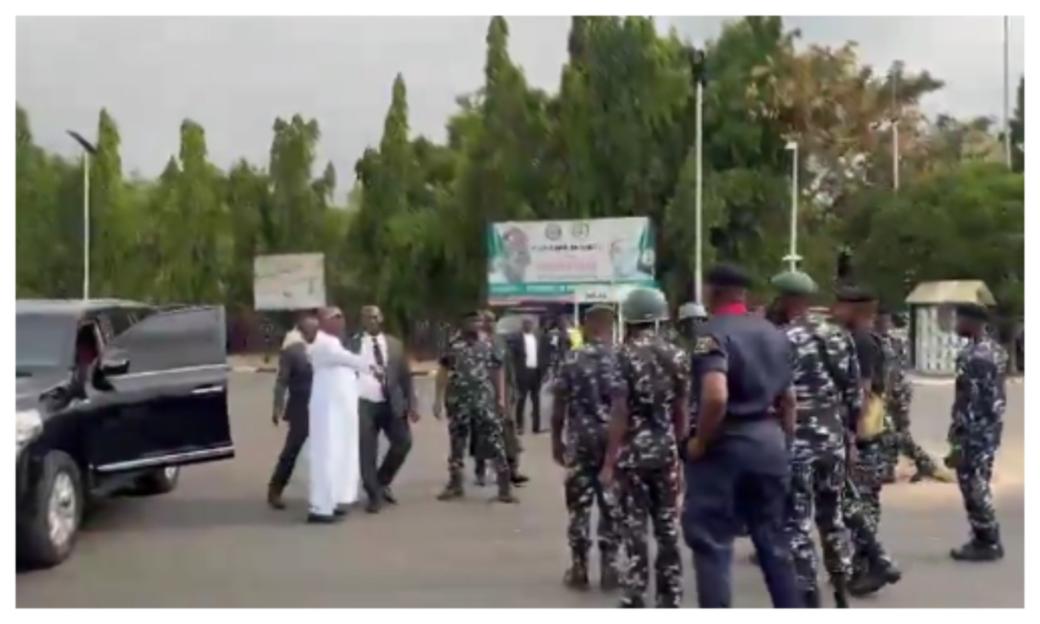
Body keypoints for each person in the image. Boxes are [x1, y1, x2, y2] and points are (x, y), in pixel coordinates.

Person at [682, 263, 802, 608]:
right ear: (743, 295)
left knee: (713, 543)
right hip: (770, 443)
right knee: (775, 544)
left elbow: (715, 394)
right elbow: (789, 400)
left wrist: (700, 441)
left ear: (712, 292)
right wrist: (784, 443)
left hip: (726, 447)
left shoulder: (710, 334)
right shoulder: (773, 333)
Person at [769, 270, 854, 608]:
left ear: (786, 299)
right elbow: (852, 391)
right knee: (832, 519)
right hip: (832, 440)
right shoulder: (838, 336)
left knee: (797, 523)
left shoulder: (780, 339)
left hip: (798, 444)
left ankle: (808, 596)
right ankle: (841, 590)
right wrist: (848, 438)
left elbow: (778, 395)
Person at [602, 288, 686, 608]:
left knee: (634, 526)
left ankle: (635, 594)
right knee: (667, 527)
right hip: (665, 452)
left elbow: (619, 411)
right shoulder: (676, 355)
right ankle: (671, 595)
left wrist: (610, 461)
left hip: (633, 455)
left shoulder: (622, 355)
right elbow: (682, 410)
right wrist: (677, 449)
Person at [832, 286, 902, 595]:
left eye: (841, 305)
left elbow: (860, 392)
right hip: (878, 431)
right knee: (865, 501)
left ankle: (874, 563)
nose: (835, 311)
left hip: (866, 434)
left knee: (855, 503)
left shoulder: (860, 342)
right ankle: (864, 565)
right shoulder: (876, 340)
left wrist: (852, 436)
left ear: (857, 310)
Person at [551, 304, 621, 592]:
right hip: (612, 441)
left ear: (587, 324)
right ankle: (610, 568)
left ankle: (579, 567)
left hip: (581, 440)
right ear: (609, 325)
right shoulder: (621, 359)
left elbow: (559, 404)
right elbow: (627, 406)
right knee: (611, 506)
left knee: (579, 507)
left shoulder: (572, 359)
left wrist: (556, 439)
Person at [434, 310, 517, 504]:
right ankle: (455, 484)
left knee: (495, 441)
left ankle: (504, 488)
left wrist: (501, 399)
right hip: (458, 401)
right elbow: (443, 372)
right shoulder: (454, 345)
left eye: (478, 321)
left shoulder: (489, 344)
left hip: (484, 401)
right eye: (471, 321)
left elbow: (498, 372)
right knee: (457, 443)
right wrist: (438, 400)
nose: (476, 325)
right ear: (463, 324)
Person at [306, 307, 380, 523]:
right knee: (327, 456)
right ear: (323, 322)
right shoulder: (324, 344)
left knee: (339, 455)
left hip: (339, 412)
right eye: (334, 318)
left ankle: (334, 500)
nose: (340, 322)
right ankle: (320, 507)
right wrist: (372, 367)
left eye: (342, 317)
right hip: (328, 412)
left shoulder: (334, 342)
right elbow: (348, 359)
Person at [947, 303, 1007, 561]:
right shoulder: (994, 350)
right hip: (989, 428)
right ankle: (983, 536)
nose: (955, 325)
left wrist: (959, 438)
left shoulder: (975, 357)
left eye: (959, 319)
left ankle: (987, 540)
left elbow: (970, 401)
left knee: (973, 483)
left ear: (971, 322)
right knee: (978, 480)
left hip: (975, 430)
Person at [347, 305, 418, 514]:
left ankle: (381, 481)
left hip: (390, 402)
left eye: (375, 317)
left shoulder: (395, 344)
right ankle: (373, 495)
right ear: (361, 320)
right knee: (367, 450)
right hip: (363, 403)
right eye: (367, 317)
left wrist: (412, 404)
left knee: (403, 442)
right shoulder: (352, 344)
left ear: (382, 318)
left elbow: (405, 376)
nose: (371, 321)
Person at [876, 309, 946, 483]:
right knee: (892, 431)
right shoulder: (890, 341)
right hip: (896, 390)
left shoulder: (888, 342)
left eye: (884, 320)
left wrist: (886, 393)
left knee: (893, 431)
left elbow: (891, 371)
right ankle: (893, 467)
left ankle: (920, 462)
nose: (883, 323)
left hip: (894, 391)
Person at [267, 313, 320, 510]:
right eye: (312, 330)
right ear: (303, 330)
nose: (315, 333)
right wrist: (277, 407)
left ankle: (324, 493)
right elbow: (282, 381)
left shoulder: (322, 348)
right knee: (291, 451)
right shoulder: (292, 351)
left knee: (325, 452)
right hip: (301, 409)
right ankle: (275, 489)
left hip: (322, 408)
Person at [474, 309, 529, 488]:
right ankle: (480, 470)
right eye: (485, 320)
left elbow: (508, 366)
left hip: (504, 391)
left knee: (508, 432)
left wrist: (513, 389)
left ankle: (512, 470)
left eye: (491, 320)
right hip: (482, 393)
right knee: (482, 433)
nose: (488, 323)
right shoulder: (475, 343)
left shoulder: (500, 341)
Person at [510, 317, 549, 434]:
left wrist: (545, 370)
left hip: (536, 372)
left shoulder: (539, 337)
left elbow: (544, 354)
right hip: (523, 372)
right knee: (521, 399)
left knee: (536, 400)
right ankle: (519, 425)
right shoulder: (516, 338)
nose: (528, 326)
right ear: (522, 325)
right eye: (526, 324)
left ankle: (536, 427)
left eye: (530, 324)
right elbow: (513, 357)